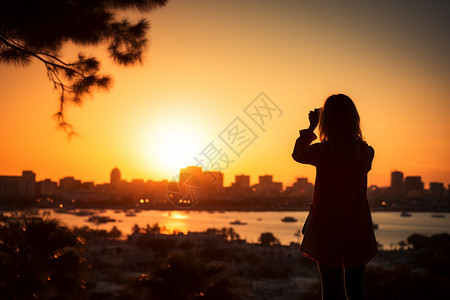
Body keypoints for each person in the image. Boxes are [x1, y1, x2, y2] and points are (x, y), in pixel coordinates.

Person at [292, 94, 377, 300]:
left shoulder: (321, 152)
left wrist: (312, 127)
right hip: (356, 227)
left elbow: (297, 154)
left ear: (326, 121)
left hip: (326, 228)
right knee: (356, 289)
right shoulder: (366, 153)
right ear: (354, 120)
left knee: (330, 289)